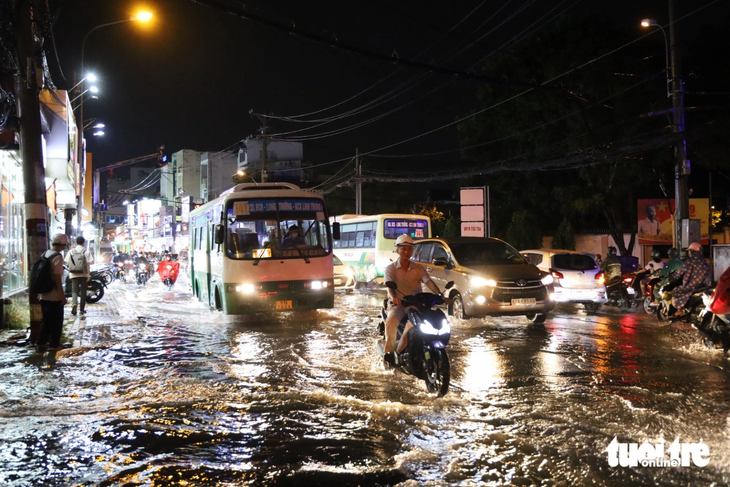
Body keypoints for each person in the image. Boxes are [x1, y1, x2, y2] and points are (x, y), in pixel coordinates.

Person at [382, 234, 450, 366]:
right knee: (391, 321)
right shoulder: (391, 269)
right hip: (399, 305)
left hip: (417, 304)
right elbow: (389, 286)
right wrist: (395, 298)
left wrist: (440, 296)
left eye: (409, 249)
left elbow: (428, 282)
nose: (406, 252)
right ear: (398, 250)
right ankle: (389, 353)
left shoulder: (418, 268)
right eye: (403, 249)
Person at [37, 234, 68, 351]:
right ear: (63, 245)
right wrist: (62, 296)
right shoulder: (57, 257)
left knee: (45, 320)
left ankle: (41, 342)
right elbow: (57, 278)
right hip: (54, 295)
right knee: (56, 321)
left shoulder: (45, 254)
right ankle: (54, 344)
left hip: (43, 294)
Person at [671, 242, 711, 317]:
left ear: (692, 251)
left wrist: (673, 278)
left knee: (676, 291)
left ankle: (679, 310)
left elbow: (679, 273)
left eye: (689, 251)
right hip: (703, 287)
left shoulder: (689, 262)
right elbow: (708, 276)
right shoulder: (704, 262)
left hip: (690, 286)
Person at [65, 235, 94, 316]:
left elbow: (67, 262)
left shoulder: (71, 251)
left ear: (76, 242)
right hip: (83, 274)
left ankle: (74, 304)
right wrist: (88, 275)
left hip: (73, 273)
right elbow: (88, 264)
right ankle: (82, 309)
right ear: (84, 243)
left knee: (74, 290)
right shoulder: (86, 252)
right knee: (83, 291)